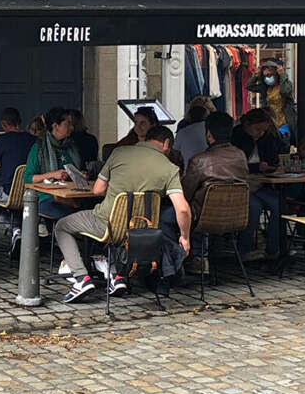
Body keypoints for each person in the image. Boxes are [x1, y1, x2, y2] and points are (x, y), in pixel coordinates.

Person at [54, 125, 192, 303]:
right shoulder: (170, 168)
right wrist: (185, 237)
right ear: (166, 143)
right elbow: (182, 208)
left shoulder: (119, 153)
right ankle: (115, 275)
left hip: (108, 224)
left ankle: (81, 278)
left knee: (62, 226)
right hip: (142, 231)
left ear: (145, 138)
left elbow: (97, 190)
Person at [0, 107, 38, 254]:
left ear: (4, 124)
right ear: (20, 121)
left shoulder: (2, 140)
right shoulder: (34, 140)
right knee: (16, 203)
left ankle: (15, 229)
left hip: (10, 193)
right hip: (34, 193)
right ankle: (22, 230)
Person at [229, 108, 283, 258]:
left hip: (260, 183)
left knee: (279, 205)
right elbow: (235, 164)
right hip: (241, 184)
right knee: (254, 207)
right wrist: (255, 167)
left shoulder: (267, 137)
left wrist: (270, 165)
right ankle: (245, 248)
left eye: (263, 130)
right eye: (257, 129)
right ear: (247, 124)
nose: (260, 133)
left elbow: (274, 158)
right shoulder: (237, 136)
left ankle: (274, 248)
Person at [181, 112, 249, 223]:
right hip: (236, 214)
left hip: (202, 217)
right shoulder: (241, 156)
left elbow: (185, 194)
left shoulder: (199, 161)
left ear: (208, 134)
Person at [24, 107, 87, 221]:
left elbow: (76, 170)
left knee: (90, 210)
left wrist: (80, 175)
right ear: (55, 126)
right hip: (46, 198)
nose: (71, 128)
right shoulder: (39, 148)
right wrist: (52, 174)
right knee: (74, 217)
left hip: (71, 196)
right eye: (67, 124)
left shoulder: (71, 146)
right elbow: (28, 178)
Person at [246, 60, 297, 143]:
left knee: (283, 142)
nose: (267, 78)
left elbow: (285, 91)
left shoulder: (285, 84)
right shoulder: (266, 88)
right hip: (270, 122)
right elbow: (249, 86)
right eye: (265, 76)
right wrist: (256, 76)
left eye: (269, 75)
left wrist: (283, 75)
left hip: (284, 121)